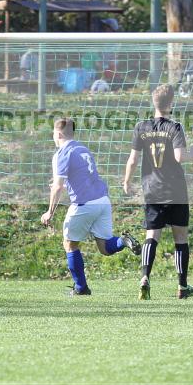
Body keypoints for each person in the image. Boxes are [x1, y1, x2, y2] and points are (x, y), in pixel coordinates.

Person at [41, 118, 140, 296]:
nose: (53, 137)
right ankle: (123, 241)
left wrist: (50, 211)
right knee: (105, 247)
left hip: (84, 204)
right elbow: (79, 175)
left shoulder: (62, 153)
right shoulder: (82, 148)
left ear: (59, 133)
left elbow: (58, 186)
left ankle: (81, 288)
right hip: (102, 201)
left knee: (70, 244)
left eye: (54, 133)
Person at [123, 85, 193, 300]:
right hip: (175, 190)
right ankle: (182, 287)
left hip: (151, 189)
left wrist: (127, 180)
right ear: (171, 103)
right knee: (180, 238)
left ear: (153, 102)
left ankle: (145, 277)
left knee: (151, 235)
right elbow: (179, 157)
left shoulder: (141, 127)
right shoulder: (174, 127)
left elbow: (133, 159)